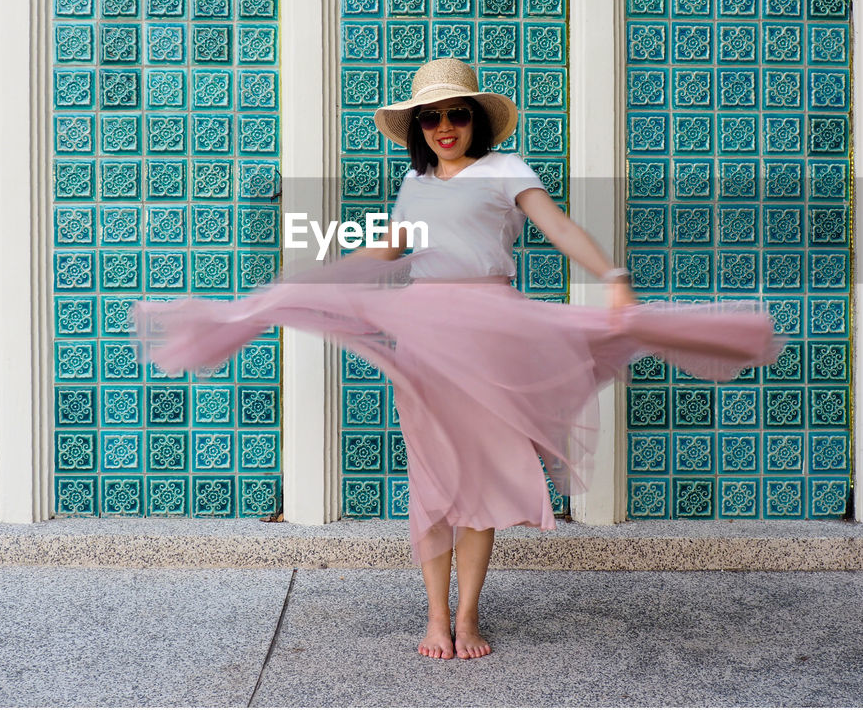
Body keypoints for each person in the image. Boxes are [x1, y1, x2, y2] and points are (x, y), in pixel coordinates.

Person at [132, 58, 783, 662]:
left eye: (457, 114)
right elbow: (390, 252)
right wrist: (314, 279)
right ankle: (434, 618)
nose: (445, 127)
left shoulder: (509, 172)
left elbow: (557, 228)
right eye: (431, 117)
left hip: (493, 333)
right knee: (435, 479)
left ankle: (466, 616)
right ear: (419, 128)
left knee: (483, 481)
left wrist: (612, 275)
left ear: (477, 119)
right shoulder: (415, 181)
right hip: (428, 340)